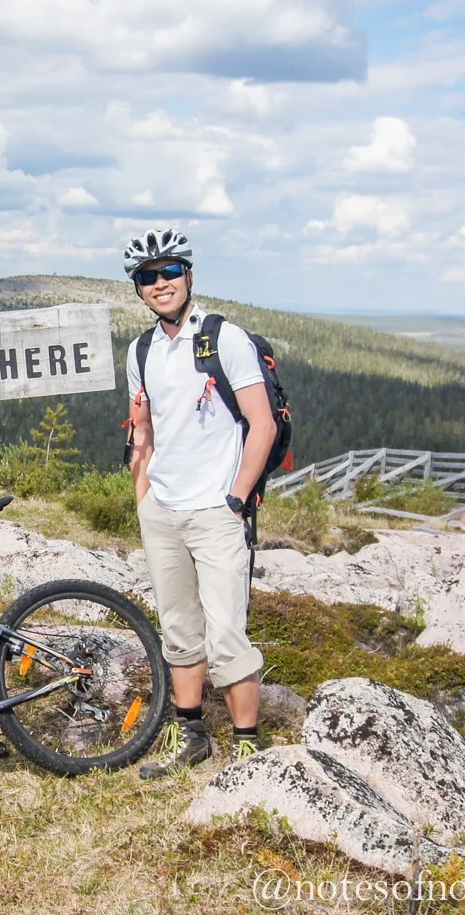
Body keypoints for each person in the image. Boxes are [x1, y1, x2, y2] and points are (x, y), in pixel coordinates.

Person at [121, 229, 276, 776]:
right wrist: (144, 499)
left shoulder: (224, 340)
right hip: (162, 510)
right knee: (180, 631)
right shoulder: (141, 350)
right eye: (147, 276)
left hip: (216, 512)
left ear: (188, 275)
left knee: (228, 634)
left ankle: (249, 747)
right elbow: (142, 430)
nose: (160, 283)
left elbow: (262, 423)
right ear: (137, 289)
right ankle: (192, 737)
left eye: (169, 272)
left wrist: (235, 499)